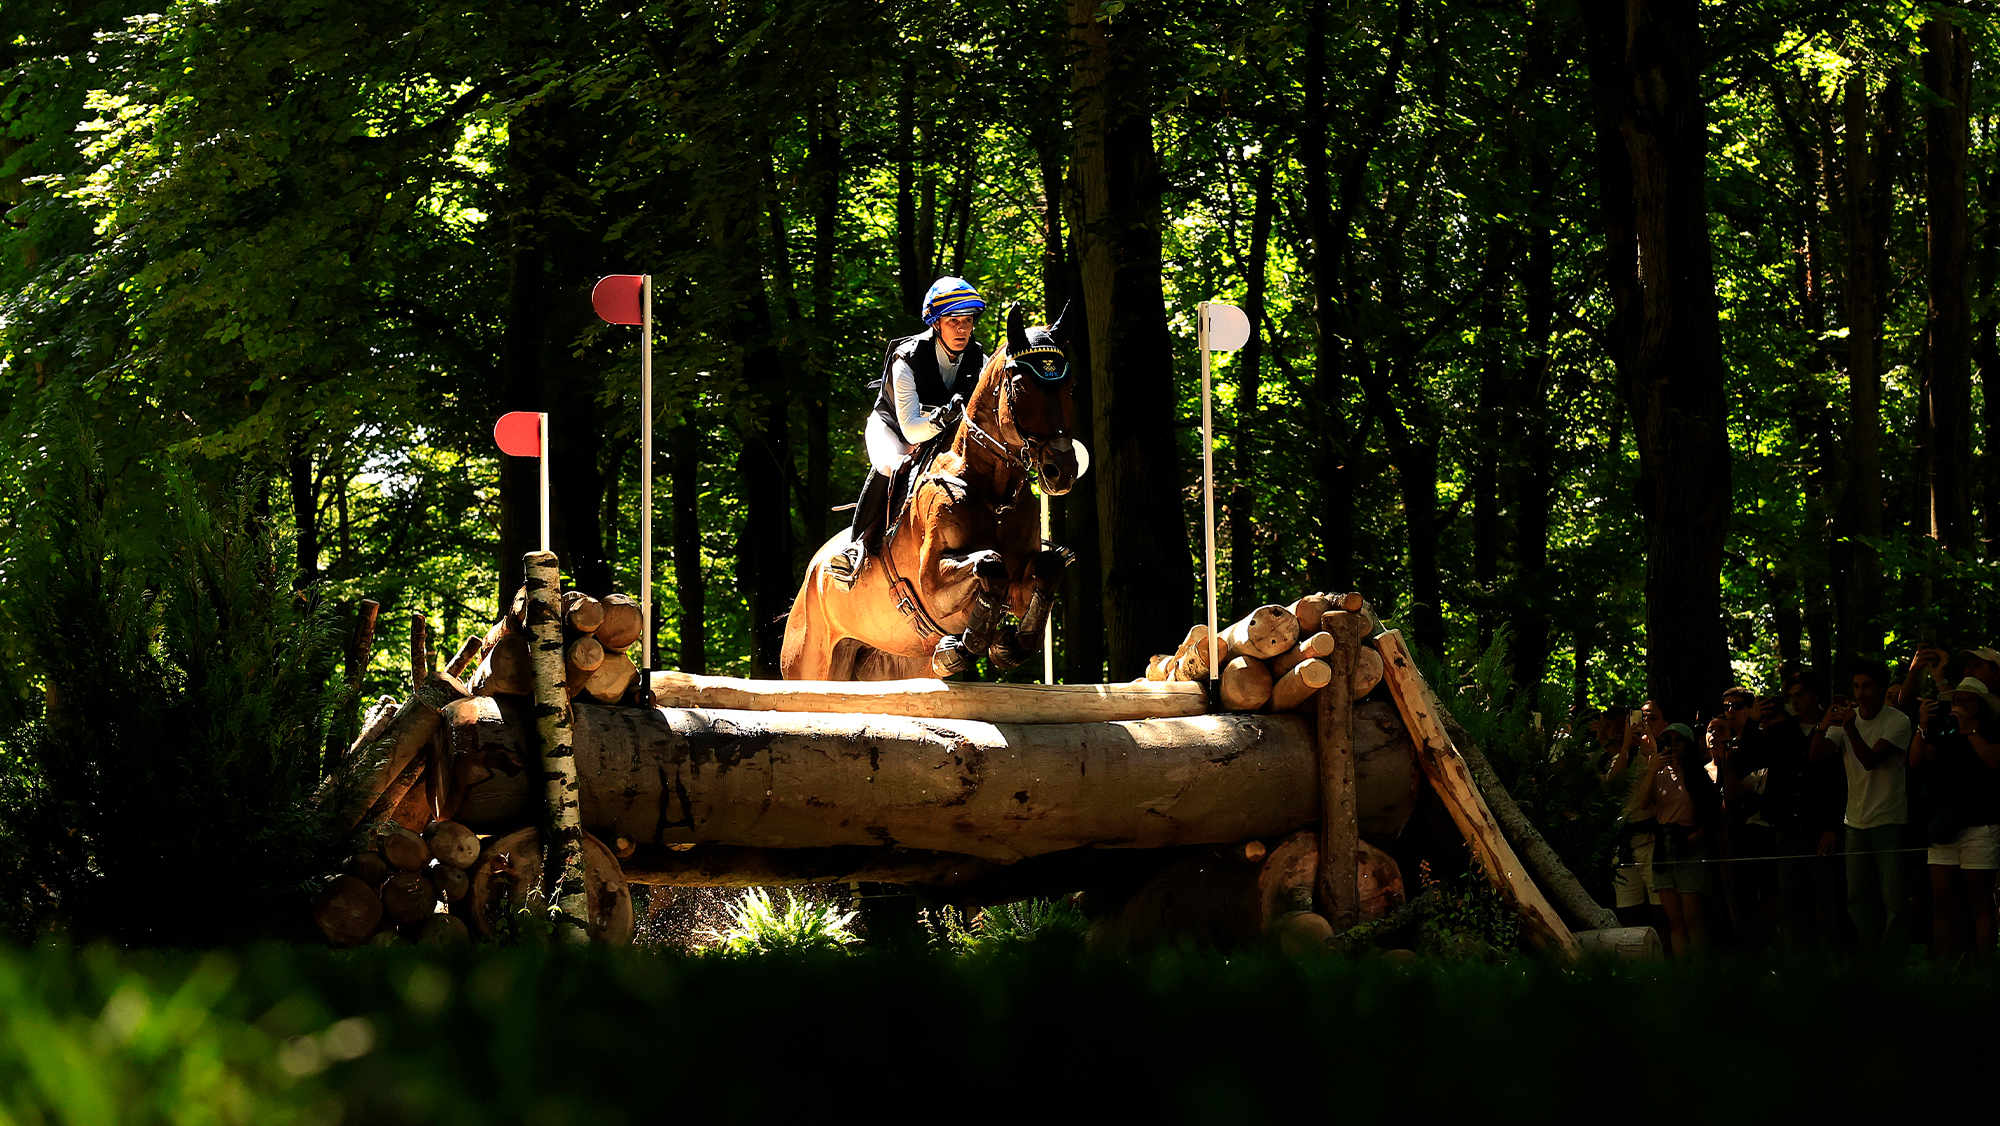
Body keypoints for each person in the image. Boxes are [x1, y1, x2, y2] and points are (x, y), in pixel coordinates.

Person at [827, 277, 988, 588]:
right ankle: (855, 547)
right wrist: (944, 417)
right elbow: (912, 430)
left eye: (967, 320)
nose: (962, 329)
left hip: (940, 441)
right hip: (895, 432)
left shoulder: (978, 361)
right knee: (894, 465)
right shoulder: (906, 359)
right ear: (936, 323)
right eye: (953, 320)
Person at [1732, 670, 1849, 953]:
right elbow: (1747, 760)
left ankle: (1837, 965)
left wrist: (1834, 825)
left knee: (1830, 900)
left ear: (1816, 695)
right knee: (1793, 904)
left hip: (1822, 828)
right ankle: (1800, 970)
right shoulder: (1782, 730)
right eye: (1790, 696)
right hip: (1787, 829)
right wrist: (1752, 721)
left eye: (1800, 695)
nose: (1794, 702)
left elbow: (1843, 783)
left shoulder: (1838, 727)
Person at [1811, 660, 1915, 956]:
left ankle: (1893, 962)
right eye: (1856, 686)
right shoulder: (1847, 721)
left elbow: (1871, 761)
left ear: (1881, 688)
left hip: (1890, 821)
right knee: (1858, 898)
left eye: (1867, 685)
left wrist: (1850, 730)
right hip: (1854, 823)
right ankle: (1868, 959)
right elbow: (1816, 756)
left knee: (1894, 898)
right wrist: (1823, 725)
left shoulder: (1897, 721)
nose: (1861, 692)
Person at [1908, 677, 2000, 961]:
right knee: (1942, 900)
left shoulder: (1992, 732)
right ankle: (1943, 970)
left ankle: (1983, 970)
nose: (1960, 705)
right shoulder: (1945, 733)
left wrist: (1969, 731)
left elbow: (1994, 762)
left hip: (1980, 826)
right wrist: (1923, 725)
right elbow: (1916, 761)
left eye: (1967, 700)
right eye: (1957, 700)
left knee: (1980, 902)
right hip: (1944, 828)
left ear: (1981, 706)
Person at [1636, 721, 1720, 959]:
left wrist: (1697, 835)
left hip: (1690, 846)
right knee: (1675, 921)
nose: (1672, 745)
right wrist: (1652, 770)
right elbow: (1642, 803)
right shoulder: (1659, 775)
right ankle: (1683, 977)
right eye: (1667, 741)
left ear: (1688, 744)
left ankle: (1700, 976)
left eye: (1678, 740)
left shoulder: (1698, 776)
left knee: (1693, 918)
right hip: (1664, 848)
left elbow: (1713, 815)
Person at [1596, 706, 1663, 931]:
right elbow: (1611, 787)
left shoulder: (1655, 754)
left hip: (1650, 841)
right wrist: (1626, 745)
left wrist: (1648, 745)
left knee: (1660, 908)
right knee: (1630, 911)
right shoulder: (1618, 758)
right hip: (1623, 844)